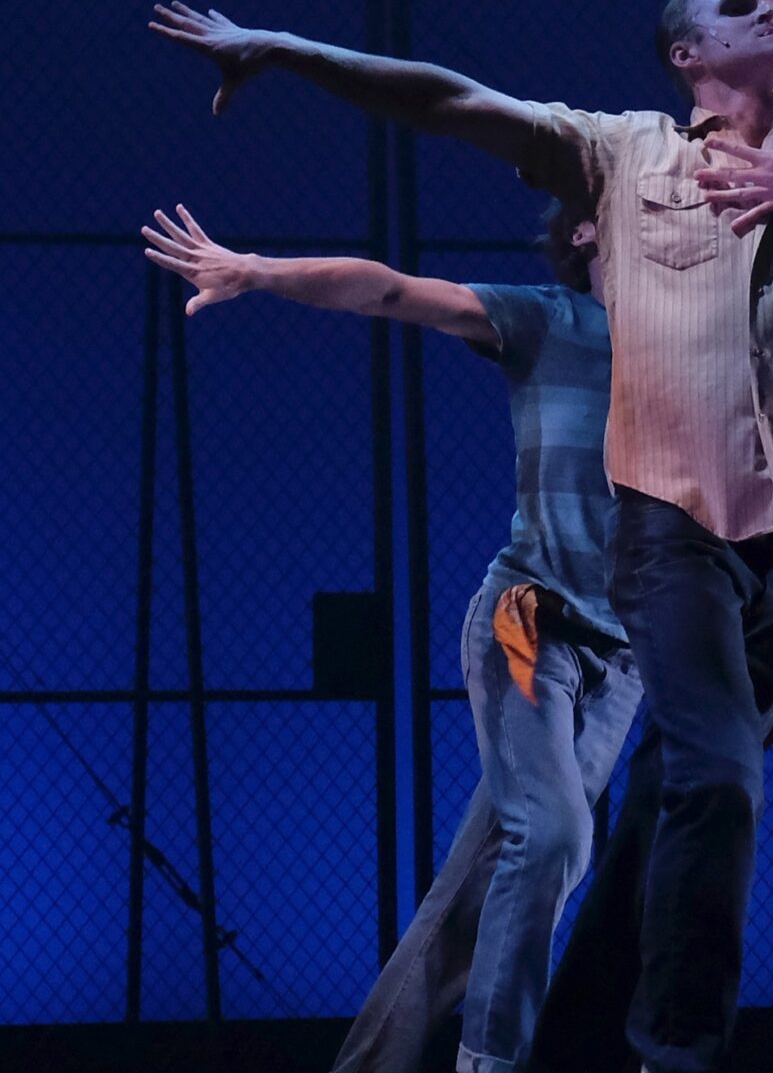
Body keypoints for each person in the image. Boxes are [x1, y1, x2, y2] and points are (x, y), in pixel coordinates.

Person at [152, 0, 773, 1073]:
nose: (769, 8)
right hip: (575, 595)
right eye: (737, 5)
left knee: (628, 825)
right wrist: (284, 70)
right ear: (686, 55)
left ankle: (555, 1042)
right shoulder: (598, 215)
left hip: (713, 595)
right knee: (627, 810)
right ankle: (608, 1053)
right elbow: (448, 125)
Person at [140, 200, 636, 1073]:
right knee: (556, 836)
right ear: (585, 232)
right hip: (530, 623)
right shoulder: (548, 320)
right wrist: (257, 270)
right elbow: (391, 291)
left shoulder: (693, 342)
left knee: (495, 875)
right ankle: (490, 1061)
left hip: (625, 654)